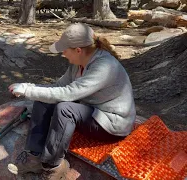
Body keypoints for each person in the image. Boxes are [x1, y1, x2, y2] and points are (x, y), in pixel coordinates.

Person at [7, 23, 136, 180]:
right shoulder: (78, 64)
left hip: (112, 124)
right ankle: (34, 156)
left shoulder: (104, 66)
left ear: (78, 50)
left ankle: (53, 168)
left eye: (64, 50)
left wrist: (28, 91)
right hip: (92, 113)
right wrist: (29, 88)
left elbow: (68, 93)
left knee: (65, 109)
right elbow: (58, 87)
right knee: (43, 99)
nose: (63, 54)